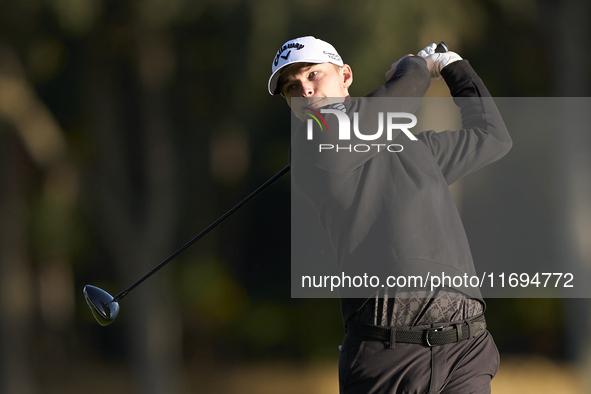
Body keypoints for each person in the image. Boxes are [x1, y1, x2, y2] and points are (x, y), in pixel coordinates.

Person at [268, 36, 512, 394]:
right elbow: (405, 93)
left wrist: (455, 67)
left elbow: (492, 137)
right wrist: (415, 65)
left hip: (466, 347)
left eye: (313, 75)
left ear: (345, 76)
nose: (305, 90)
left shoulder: (413, 147)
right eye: (292, 87)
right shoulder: (311, 142)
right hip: (388, 351)